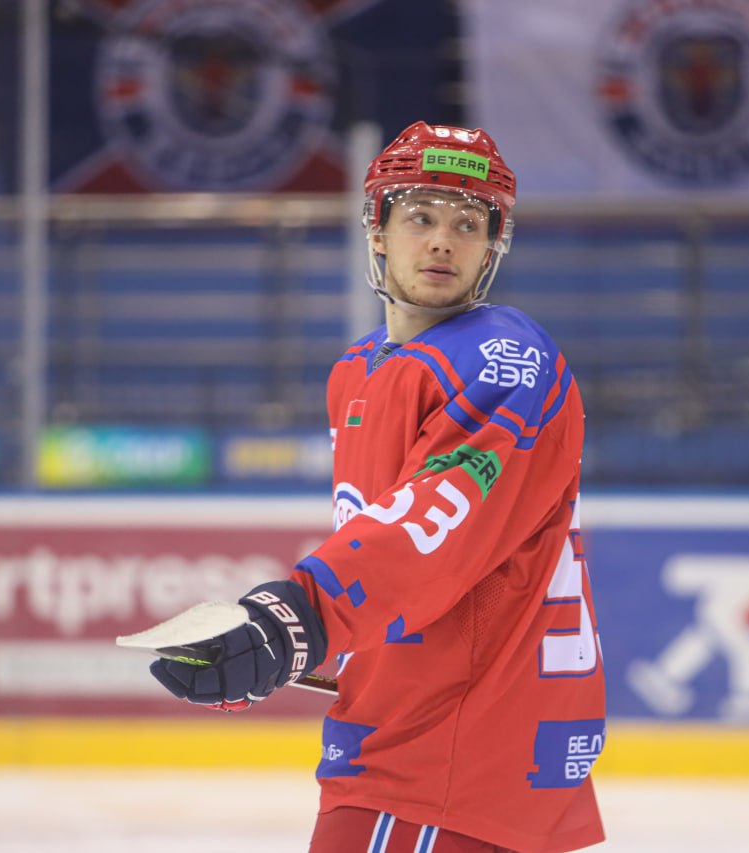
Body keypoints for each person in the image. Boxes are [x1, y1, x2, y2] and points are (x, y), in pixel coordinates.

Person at [147, 121, 606, 853]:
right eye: (420, 217)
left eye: (468, 224)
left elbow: (433, 526)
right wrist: (330, 648)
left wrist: (296, 621)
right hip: (423, 743)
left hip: (450, 758)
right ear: (378, 231)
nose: (443, 242)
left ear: (493, 246)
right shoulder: (357, 372)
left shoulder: (505, 357)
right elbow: (406, 556)